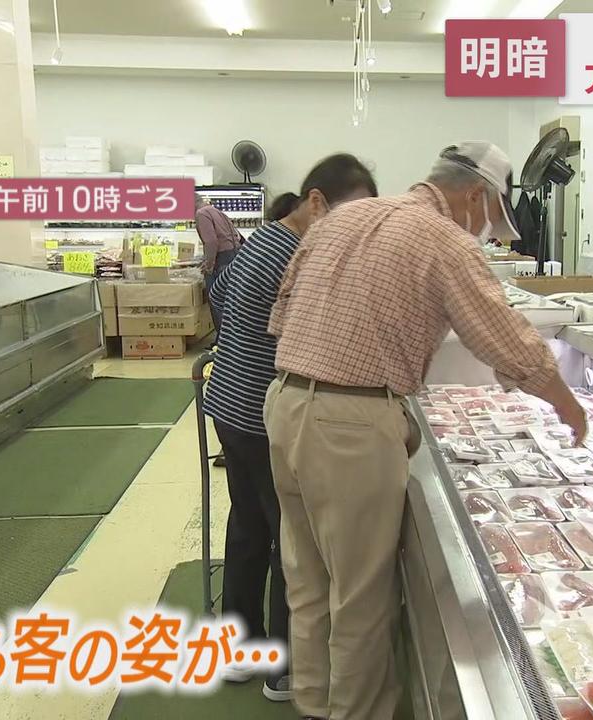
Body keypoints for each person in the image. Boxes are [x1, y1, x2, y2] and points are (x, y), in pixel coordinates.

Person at [264, 142, 587, 720]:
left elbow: (282, 313)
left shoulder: (343, 217)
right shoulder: (443, 239)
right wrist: (566, 404)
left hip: (286, 404)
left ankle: (313, 706)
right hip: (350, 425)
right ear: (474, 195)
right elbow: (500, 333)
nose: (491, 229)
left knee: (308, 583)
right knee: (361, 599)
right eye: (492, 215)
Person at [204, 154, 378, 705]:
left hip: (229, 403)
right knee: (291, 538)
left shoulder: (261, 239)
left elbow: (218, 295)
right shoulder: (296, 254)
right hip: (261, 411)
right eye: (350, 215)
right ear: (317, 203)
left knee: (249, 527)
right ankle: (282, 665)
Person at [196, 196, 244, 320]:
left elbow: (211, 242)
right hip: (234, 255)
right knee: (230, 300)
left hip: (221, 259)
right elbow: (238, 236)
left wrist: (209, 265)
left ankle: (221, 337)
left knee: (216, 298)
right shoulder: (217, 211)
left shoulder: (201, 214)